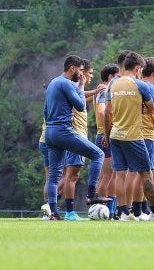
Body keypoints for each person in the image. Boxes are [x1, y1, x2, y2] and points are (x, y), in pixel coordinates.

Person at [43, 55, 108, 220]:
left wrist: (79, 87)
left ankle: (54, 213)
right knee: (98, 154)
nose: (81, 74)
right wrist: (80, 85)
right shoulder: (66, 83)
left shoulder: (53, 83)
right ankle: (92, 194)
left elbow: (45, 110)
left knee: (54, 176)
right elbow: (80, 106)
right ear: (72, 68)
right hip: (62, 131)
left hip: (50, 132)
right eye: (80, 70)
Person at [104, 52, 154, 221]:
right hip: (134, 136)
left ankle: (124, 212)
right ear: (138, 68)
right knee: (146, 174)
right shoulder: (141, 86)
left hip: (116, 135)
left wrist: (108, 134)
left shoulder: (113, 85)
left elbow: (108, 113)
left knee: (119, 174)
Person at [60, 59, 96, 220]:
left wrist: (94, 92)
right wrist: (96, 91)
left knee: (69, 174)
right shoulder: (74, 87)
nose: (89, 76)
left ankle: (51, 206)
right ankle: (68, 211)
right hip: (75, 134)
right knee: (71, 175)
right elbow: (78, 103)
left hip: (76, 134)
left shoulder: (76, 89)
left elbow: (81, 100)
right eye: (89, 73)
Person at [94, 63, 119, 216]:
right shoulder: (105, 91)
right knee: (108, 175)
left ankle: (109, 210)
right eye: (117, 76)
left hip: (103, 135)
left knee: (111, 175)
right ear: (110, 77)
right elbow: (102, 112)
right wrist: (107, 132)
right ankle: (100, 209)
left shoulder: (102, 90)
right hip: (105, 137)